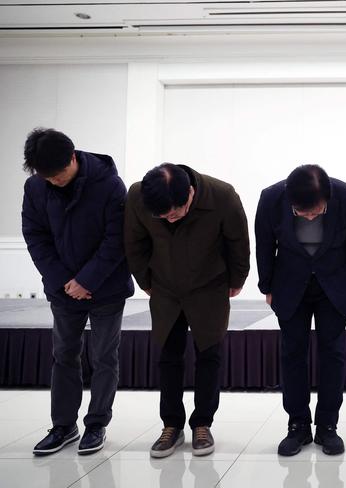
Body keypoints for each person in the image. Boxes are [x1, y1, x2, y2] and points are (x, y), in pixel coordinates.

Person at [124, 163, 249, 458]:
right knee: (168, 355)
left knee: (209, 354)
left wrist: (237, 280)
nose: (170, 218)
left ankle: (202, 423)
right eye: (163, 215)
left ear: (191, 192)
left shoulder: (222, 195)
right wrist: (145, 282)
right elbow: (134, 243)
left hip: (210, 286)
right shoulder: (137, 196)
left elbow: (238, 242)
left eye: (176, 211)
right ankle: (171, 425)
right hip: (165, 289)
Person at [22, 128, 134, 456]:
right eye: (47, 177)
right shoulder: (35, 187)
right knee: (64, 355)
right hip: (62, 290)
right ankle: (63, 425)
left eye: (58, 175)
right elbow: (35, 234)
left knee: (103, 356)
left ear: (72, 157)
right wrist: (62, 281)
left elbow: (116, 240)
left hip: (106, 288)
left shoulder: (110, 186)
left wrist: (87, 280)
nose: (54, 181)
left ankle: (96, 423)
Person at [255, 164, 346, 456]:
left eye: (315, 212)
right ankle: (298, 426)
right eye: (301, 213)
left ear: (327, 199)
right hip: (290, 285)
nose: (307, 217)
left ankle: (328, 426)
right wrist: (266, 285)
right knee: (292, 353)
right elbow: (265, 244)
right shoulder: (271, 199)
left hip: (334, 284)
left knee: (333, 353)